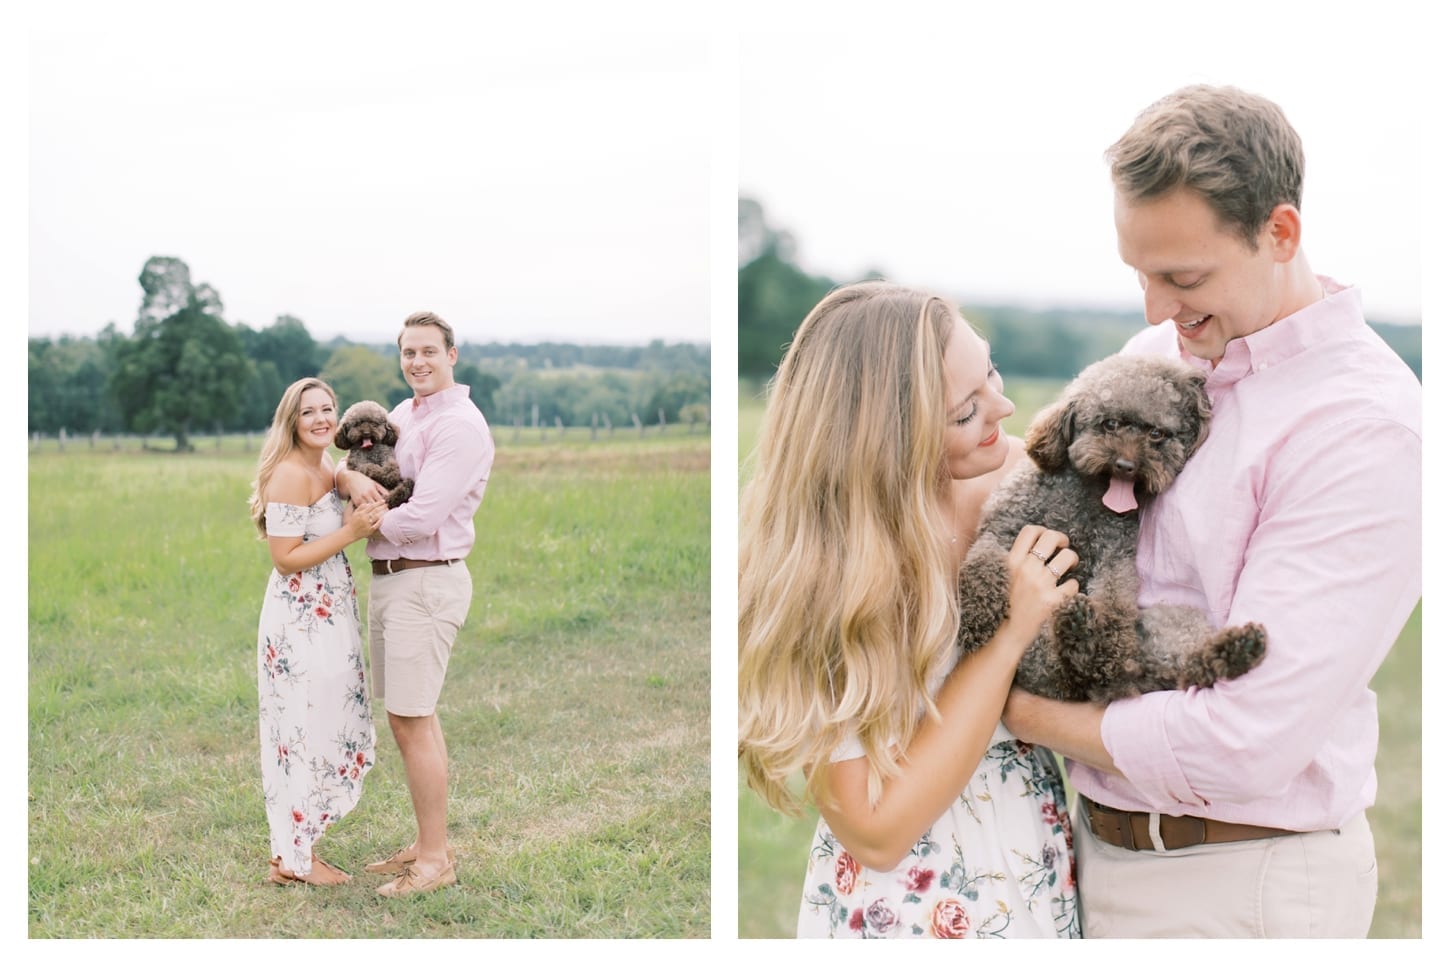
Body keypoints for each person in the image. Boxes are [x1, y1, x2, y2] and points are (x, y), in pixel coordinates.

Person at [1002, 84, 1423, 938]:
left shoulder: (1367, 426)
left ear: (1280, 233)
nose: (1156, 309)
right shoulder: (1155, 354)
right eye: (1140, 274)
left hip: (1240, 882)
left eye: (1183, 276)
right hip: (1086, 853)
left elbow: (1247, 736)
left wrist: (1018, 710)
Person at [738, 281, 1083, 939]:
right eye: (964, 413)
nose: (1005, 408)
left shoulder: (1028, 482)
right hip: (904, 913)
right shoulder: (830, 569)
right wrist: (1008, 637)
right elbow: (875, 831)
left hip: (1032, 874)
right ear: (882, 438)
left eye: (992, 372)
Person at [336, 310, 495, 897]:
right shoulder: (403, 415)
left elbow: (424, 516)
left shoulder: (460, 426)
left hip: (427, 579)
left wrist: (359, 525)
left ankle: (434, 863)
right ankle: (430, 843)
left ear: (452, 354)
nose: (418, 362)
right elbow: (362, 470)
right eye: (409, 352)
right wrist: (350, 484)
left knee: (410, 717)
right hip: (392, 578)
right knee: (412, 716)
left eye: (429, 351)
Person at [248, 377, 386, 885]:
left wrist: (347, 481)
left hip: (328, 611)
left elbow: (339, 481)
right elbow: (284, 559)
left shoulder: (324, 465)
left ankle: (295, 850)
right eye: (310, 412)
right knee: (300, 728)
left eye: (329, 408)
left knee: (323, 721)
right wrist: (351, 532)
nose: (323, 419)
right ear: (292, 420)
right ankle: (294, 860)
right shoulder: (289, 475)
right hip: (299, 620)